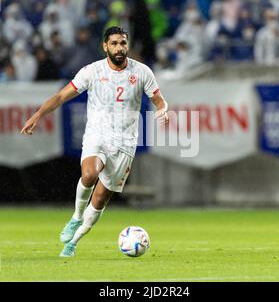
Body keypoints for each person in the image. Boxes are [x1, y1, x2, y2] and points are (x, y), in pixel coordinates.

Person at [21, 26, 169, 257]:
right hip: (97, 135)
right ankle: (76, 216)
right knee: (89, 175)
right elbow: (61, 96)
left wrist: (162, 111)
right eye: (114, 43)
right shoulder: (92, 71)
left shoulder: (142, 72)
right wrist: (38, 114)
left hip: (125, 143)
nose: (119, 48)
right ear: (105, 46)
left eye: (123, 43)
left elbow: (159, 100)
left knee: (100, 198)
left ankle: (73, 243)